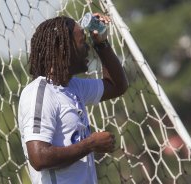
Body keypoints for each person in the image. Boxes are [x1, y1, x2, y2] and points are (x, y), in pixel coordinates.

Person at [18, 13, 128, 184]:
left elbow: (117, 86)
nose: (88, 49)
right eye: (83, 42)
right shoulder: (39, 94)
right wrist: (90, 144)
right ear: (64, 48)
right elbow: (39, 157)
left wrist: (102, 43)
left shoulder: (73, 86)